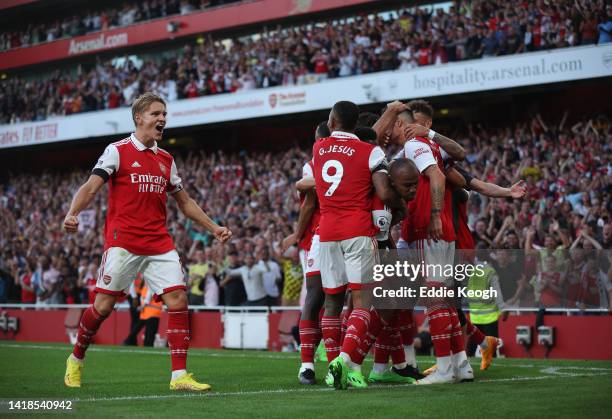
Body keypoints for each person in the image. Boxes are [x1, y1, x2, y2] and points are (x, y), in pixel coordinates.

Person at [63, 92, 232, 391]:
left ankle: (179, 376)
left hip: (158, 242)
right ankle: (76, 359)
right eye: (156, 113)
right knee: (102, 306)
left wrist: (213, 227)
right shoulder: (117, 150)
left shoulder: (167, 159)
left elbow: (184, 201)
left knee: (178, 299)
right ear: (139, 118)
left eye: (164, 114)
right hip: (123, 241)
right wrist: (73, 213)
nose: (162, 119)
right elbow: (91, 186)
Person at [313, 100, 402, 390]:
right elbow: (385, 191)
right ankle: (344, 360)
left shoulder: (319, 147)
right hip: (357, 231)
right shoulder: (370, 151)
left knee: (333, 302)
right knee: (362, 303)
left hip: (326, 232)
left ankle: (333, 366)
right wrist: (402, 206)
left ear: (333, 121)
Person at [283, 121, 328, 385]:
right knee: (322, 297)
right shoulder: (312, 166)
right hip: (325, 236)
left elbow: (307, 196)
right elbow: (308, 199)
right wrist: (299, 235)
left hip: (333, 236)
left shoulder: (315, 166)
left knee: (326, 298)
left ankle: (316, 361)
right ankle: (310, 362)